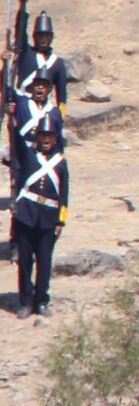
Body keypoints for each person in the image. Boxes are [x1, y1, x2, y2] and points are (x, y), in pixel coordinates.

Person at [9, 121, 66, 316]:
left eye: (50, 135)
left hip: (48, 218)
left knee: (44, 261)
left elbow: (64, 194)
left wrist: (61, 220)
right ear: (37, 137)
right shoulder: (28, 155)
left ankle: (42, 300)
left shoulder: (60, 162)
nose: (46, 139)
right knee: (25, 261)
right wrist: (12, 119)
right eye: (43, 135)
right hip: (26, 215)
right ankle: (25, 302)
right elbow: (17, 140)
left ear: (55, 139)